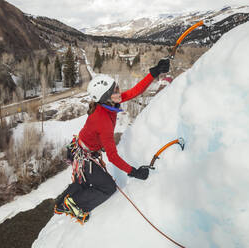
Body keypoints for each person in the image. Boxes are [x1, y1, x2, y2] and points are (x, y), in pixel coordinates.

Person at [54, 58, 170, 224]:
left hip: (81, 150)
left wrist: (154, 72)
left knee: (90, 181)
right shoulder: (103, 121)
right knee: (108, 187)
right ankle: (71, 203)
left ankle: (70, 194)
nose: (119, 89)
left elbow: (134, 92)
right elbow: (113, 156)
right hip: (83, 157)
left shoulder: (109, 102)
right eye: (115, 89)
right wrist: (134, 171)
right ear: (108, 96)